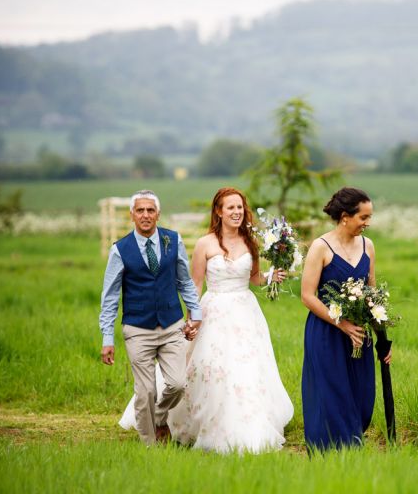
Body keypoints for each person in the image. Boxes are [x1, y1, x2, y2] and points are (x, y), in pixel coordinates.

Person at [121, 187, 294, 453]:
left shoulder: (251, 242)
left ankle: (245, 423)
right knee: (206, 368)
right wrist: (193, 319)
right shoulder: (205, 243)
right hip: (213, 310)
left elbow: (254, 277)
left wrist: (271, 277)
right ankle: (177, 420)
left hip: (245, 312)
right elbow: (195, 286)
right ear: (219, 211)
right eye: (230, 208)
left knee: (245, 368)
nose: (236, 212)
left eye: (240, 207)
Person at [100, 189, 202, 445]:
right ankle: (150, 447)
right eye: (140, 210)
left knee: (177, 384)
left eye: (150, 210)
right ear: (132, 214)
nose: (145, 215)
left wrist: (195, 314)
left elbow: (185, 281)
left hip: (172, 325)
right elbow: (110, 297)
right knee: (145, 391)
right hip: (137, 328)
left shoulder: (173, 240)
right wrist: (106, 338)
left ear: (158, 214)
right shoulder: (120, 250)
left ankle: (157, 417)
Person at [300, 187, 392, 451]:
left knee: (362, 397)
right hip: (327, 332)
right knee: (333, 395)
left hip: (359, 335)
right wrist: (341, 324)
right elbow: (308, 296)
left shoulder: (368, 246)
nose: (367, 223)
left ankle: (350, 444)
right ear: (345, 216)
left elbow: (372, 295)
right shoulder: (321, 247)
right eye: (363, 217)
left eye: (369, 217)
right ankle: (330, 453)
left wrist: (383, 340)